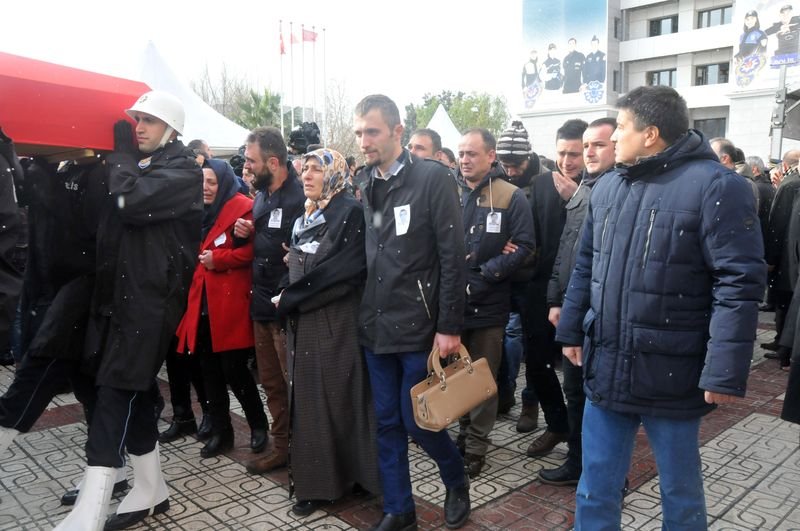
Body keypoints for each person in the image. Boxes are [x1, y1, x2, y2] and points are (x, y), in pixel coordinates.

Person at [556, 85, 766, 529]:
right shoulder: (609, 186)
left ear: (650, 133)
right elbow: (586, 264)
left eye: (622, 128)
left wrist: (724, 370)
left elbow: (739, 282)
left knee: (679, 491)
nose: (613, 140)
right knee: (595, 486)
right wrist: (572, 329)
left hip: (672, 371)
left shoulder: (716, 187)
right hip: (607, 363)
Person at [55, 89, 203, 531]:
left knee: (116, 391)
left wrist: (117, 158)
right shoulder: (141, 167)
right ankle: (150, 488)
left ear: (172, 130)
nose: (138, 127)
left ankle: (93, 508)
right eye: (136, 119)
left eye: (149, 121)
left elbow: (130, 203)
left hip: (150, 304)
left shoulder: (182, 173)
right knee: (129, 392)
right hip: (118, 300)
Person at [353, 94, 470, 531]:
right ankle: (400, 510)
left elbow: (453, 257)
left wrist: (449, 326)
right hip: (375, 325)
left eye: (373, 131)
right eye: (360, 131)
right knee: (386, 423)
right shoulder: (364, 182)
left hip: (419, 327)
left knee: (419, 422)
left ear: (398, 132)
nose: (364, 140)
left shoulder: (433, 179)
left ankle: (456, 480)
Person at [276, 148, 380, 517]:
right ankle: (319, 483)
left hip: (336, 323)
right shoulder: (307, 214)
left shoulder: (349, 211)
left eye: (317, 169)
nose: (307, 175)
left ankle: (353, 479)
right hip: (305, 322)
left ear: (334, 174)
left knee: (340, 401)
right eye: (305, 169)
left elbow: (345, 271)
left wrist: (292, 298)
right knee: (309, 404)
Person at [538, 117, 616, 486]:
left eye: (598, 144)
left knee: (598, 398)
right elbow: (567, 251)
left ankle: (606, 474)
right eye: (585, 146)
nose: (587, 153)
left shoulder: (619, 192)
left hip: (601, 315)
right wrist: (557, 300)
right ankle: (578, 462)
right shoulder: (585, 189)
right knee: (575, 392)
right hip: (574, 311)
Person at [174, 158, 268, 459]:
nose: (205, 187)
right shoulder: (194, 212)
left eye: (212, 182)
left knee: (235, 370)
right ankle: (221, 431)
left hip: (229, 303)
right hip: (200, 302)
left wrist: (223, 258)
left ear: (224, 182)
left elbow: (254, 252)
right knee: (208, 371)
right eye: (202, 181)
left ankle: (258, 425)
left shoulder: (243, 208)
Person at [456, 128, 534, 478]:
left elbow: (523, 245)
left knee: (482, 379)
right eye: (461, 153)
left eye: (472, 153)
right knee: (456, 375)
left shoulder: (510, 196)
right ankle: (461, 431)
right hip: (451, 303)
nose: (465, 159)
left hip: (489, 304)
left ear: (491, 157)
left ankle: (476, 447)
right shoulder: (448, 193)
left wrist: (484, 275)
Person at [234, 126, 305, 475]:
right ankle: (282, 447)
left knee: (296, 385)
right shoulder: (261, 194)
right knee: (272, 383)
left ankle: (307, 451)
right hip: (259, 303)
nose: (246, 167)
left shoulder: (301, 197)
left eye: (252, 161)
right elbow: (265, 239)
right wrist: (247, 230)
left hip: (286, 307)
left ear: (273, 162)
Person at [516, 119, 586, 456]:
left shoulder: (599, 185)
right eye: (562, 153)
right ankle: (557, 424)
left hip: (583, 290)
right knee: (538, 364)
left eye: (575, 154)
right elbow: (529, 233)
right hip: (541, 289)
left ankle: (580, 439)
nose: (567, 161)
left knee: (578, 370)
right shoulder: (541, 183)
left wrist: (579, 198)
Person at [494, 121, 540, 416]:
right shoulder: (495, 182)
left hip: (534, 277)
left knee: (534, 346)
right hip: (503, 274)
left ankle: (530, 402)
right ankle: (503, 392)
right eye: (505, 164)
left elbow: (553, 232)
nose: (511, 171)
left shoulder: (546, 182)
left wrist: (526, 249)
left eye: (516, 164)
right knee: (506, 337)